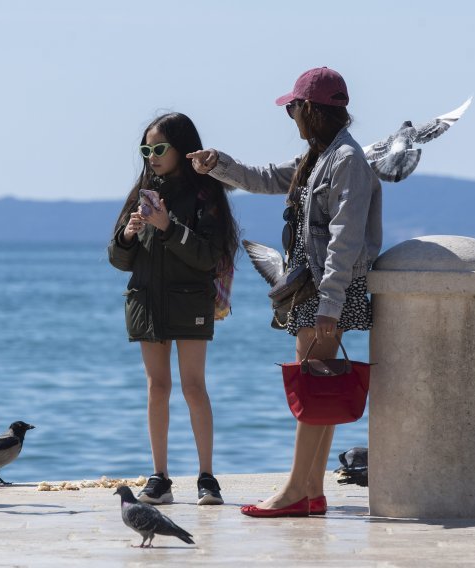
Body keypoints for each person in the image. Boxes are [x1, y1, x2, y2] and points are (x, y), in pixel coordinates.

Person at [188, 67, 382, 517]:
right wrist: (218, 164)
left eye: (293, 107)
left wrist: (330, 304)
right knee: (322, 386)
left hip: (325, 287)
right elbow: (264, 178)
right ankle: (311, 490)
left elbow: (345, 236)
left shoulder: (346, 160)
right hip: (316, 285)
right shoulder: (320, 156)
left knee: (313, 387)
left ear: (311, 109)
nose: (290, 115)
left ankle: (296, 490)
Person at [108, 112, 239, 506]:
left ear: (182, 149)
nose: (151, 156)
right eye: (146, 149)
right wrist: (128, 235)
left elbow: (208, 256)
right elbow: (118, 259)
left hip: (190, 300)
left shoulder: (206, 194)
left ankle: (207, 478)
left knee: (194, 386)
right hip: (147, 301)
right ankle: (159, 477)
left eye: (159, 148)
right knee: (157, 387)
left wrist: (168, 227)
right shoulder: (142, 192)